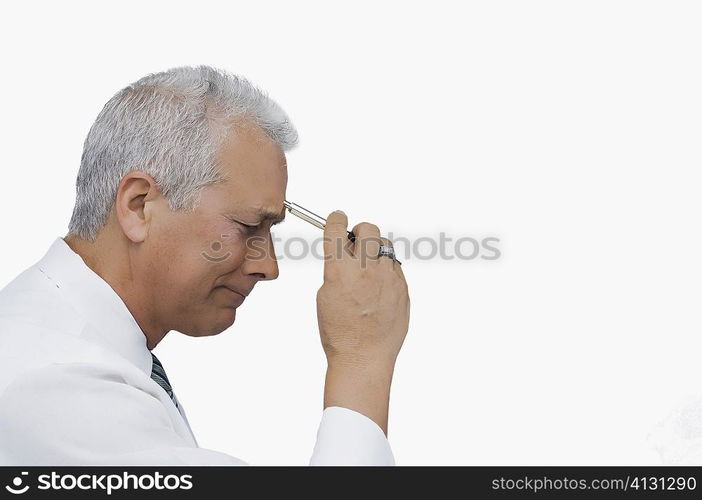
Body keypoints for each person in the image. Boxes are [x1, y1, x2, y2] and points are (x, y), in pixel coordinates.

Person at [0, 65, 410, 465]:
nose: (268, 267)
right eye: (249, 226)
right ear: (138, 206)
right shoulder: (60, 384)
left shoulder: (66, 345)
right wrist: (361, 360)